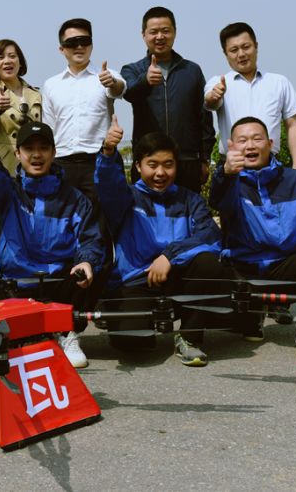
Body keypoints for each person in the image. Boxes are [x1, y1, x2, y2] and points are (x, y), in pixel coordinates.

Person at [0, 116, 103, 369]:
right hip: (16, 283)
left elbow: (90, 239)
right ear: (17, 154)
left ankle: (67, 333)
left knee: (88, 270)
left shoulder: (75, 199)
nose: (36, 155)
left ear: (54, 153)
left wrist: (87, 261)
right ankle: (36, 332)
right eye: (29, 148)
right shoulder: (7, 192)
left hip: (58, 282)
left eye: (43, 148)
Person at [95, 119, 227, 366]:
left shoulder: (191, 200)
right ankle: (141, 322)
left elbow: (210, 236)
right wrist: (109, 153)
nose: (160, 173)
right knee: (133, 345)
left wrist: (169, 256)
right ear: (138, 165)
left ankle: (190, 337)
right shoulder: (126, 198)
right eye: (152, 165)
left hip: (177, 275)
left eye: (168, 165)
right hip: (136, 280)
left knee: (208, 262)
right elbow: (108, 186)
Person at [209, 116, 296, 362]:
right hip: (244, 267)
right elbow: (216, 199)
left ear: (270, 144)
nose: (250, 145)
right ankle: (251, 315)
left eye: (257, 139)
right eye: (242, 140)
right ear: (231, 147)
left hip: (288, 265)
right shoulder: (229, 182)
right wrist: (224, 173)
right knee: (227, 309)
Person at [120, 6, 215, 193]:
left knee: (189, 210)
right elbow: (128, 93)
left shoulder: (192, 70)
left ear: (175, 32)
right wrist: (145, 81)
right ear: (143, 35)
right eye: (153, 32)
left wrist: (204, 158)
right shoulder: (132, 70)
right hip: (149, 163)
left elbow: (204, 116)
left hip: (187, 162)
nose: (160, 36)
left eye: (165, 31)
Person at [41, 18, 126, 197]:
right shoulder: (51, 85)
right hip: (62, 163)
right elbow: (49, 128)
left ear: (91, 45)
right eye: (72, 42)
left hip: (98, 160)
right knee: (64, 213)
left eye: (84, 41)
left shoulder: (106, 75)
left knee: (104, 213)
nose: (79, 46)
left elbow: (120, 88)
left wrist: (112, 82)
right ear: (61, 49)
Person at [204, 22, 296, 169]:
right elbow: (210, 102)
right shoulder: (218, 82)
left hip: (270, 167)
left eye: (246, 47)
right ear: (225, 54)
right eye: (234, 50)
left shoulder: (279, 82)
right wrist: (214, 96)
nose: (241, 54)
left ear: (256, 46)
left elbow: (292, 125)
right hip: (232, 166)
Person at [0, 39, 43, 175]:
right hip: (1, 163)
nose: (7, 61)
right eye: (0, 57)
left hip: (33, 162)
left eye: (12, 56)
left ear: (20, 62)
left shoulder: (36, 94)